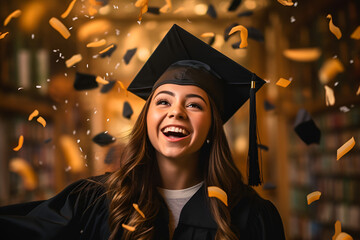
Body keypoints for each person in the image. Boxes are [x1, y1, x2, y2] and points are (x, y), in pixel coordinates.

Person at [0, 24, 285, 240]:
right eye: (163, 101)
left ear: (213, 124)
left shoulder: (251, 215)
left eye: (195, 105)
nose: (176, 112)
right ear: (146, 118)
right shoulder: (94, 201)